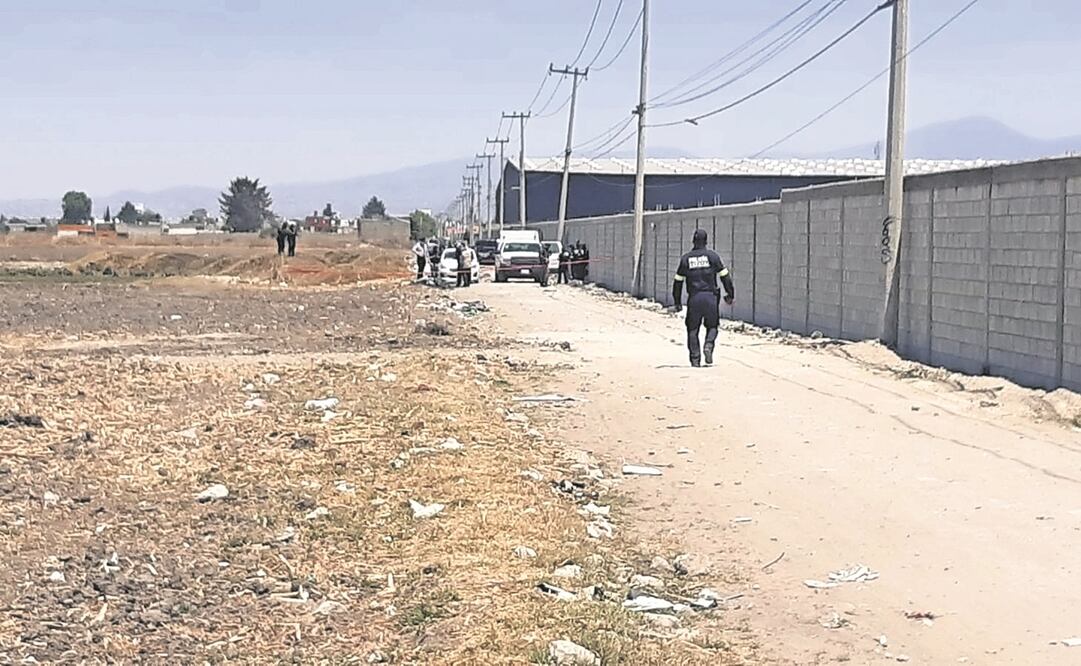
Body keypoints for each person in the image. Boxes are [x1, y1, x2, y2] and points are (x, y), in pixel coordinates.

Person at [672, 229, 735, 368]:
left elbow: (678, 282)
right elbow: (725, 277)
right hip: (710, 297)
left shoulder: (686, 259)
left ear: (693, 241)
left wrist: (677, 302)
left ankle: (695, 359)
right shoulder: (713, 257)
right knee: (712, 326)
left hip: (694, 298)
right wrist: (730, 294)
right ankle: (708, 345)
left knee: (692, 329)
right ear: (706, 241)